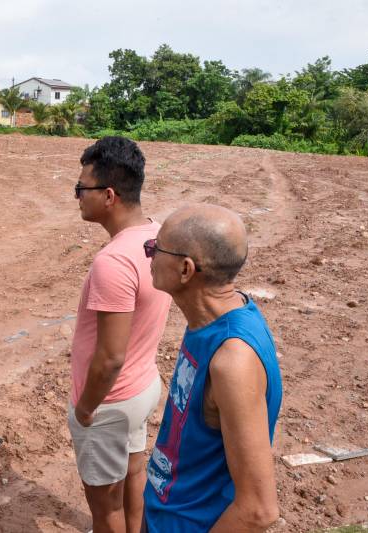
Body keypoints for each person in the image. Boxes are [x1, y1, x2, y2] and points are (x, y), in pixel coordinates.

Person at [142, 204, 282, 533]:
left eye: (155, 248)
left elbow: (258, 510)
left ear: (186, 270)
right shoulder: (210, 318)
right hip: (166, 512)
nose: (149, 255)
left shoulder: (232, 362)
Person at [68, 136, 173, 533]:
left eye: (82, 188)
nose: (77, 196)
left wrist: (85, 409)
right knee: (134, 472)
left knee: (105, 509)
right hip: (142, 385)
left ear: (108, 195)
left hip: (109, 401)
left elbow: (109, 357)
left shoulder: (112, 262)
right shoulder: (157, 236)